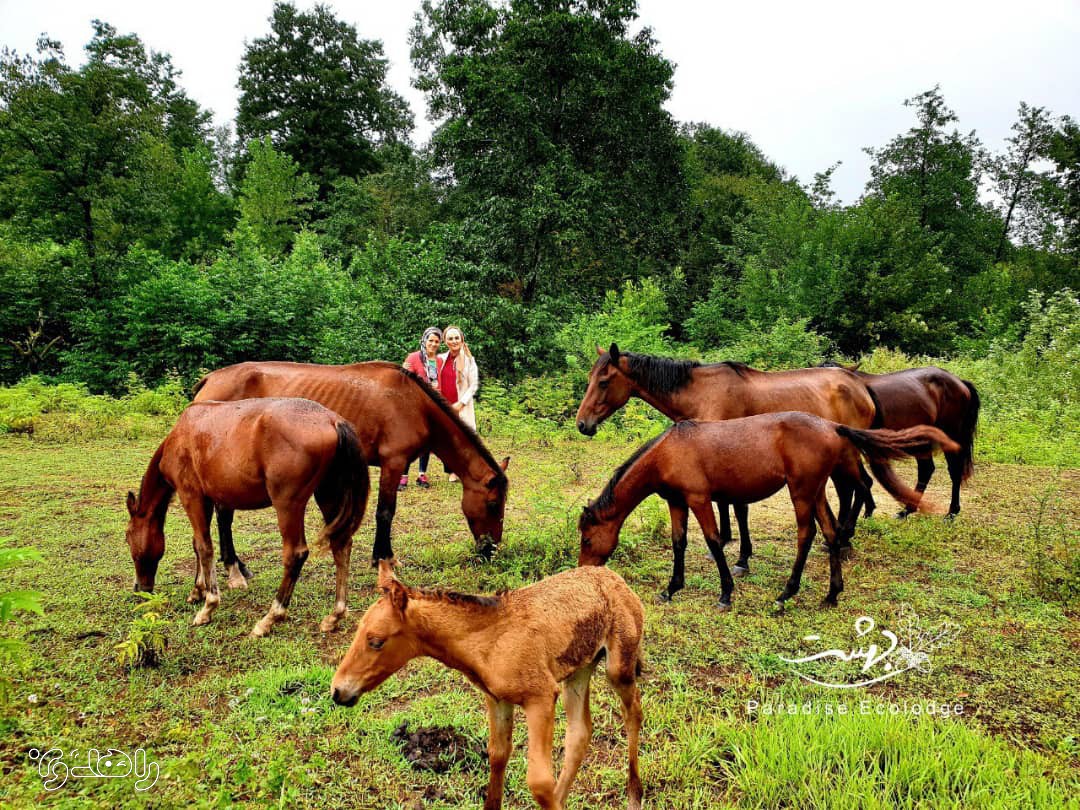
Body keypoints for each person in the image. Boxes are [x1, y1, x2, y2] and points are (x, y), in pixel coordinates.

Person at [400, 326, 444, 489]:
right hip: (413, 406)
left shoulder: (439, 361)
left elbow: (440, 384)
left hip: (431, 406)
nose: (433, 344)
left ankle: (421, 475)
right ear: (424, 340)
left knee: (426, 441)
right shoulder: (413, 358)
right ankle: (403, 476)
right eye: (430, 340)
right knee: (409, 441)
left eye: (437, 341)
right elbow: (403, 381)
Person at [439, 325, 480, 483]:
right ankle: (452, 470)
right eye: (450, 338)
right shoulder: (440, 359)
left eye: (457, 338)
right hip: (444, 405)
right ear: (445, 341)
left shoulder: (469, 360)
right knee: (447, 440)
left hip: (461, 406)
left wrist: (461, 403)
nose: (454, 341)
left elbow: (473, 385)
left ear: (462, 340)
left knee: (465, 439)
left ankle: (467, 469)